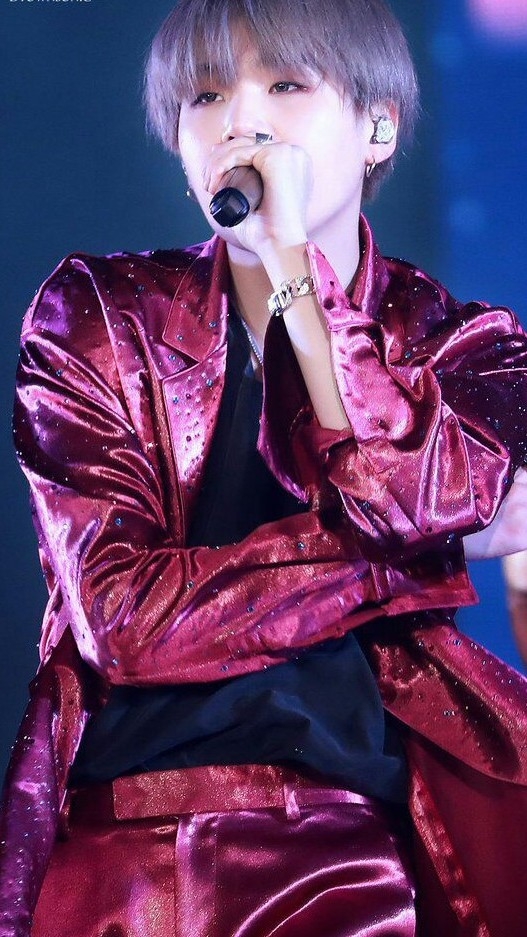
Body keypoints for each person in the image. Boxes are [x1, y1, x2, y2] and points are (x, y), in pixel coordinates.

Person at [2, 1, 527, 934]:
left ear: (378, 126)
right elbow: (121, 619)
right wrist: (412, 563)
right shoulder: (98, 313)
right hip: (126, 851)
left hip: (351, 854)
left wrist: (293, 268)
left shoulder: (462, 349)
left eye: (285, 84)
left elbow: (398, 492)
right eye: (205, 96)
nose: (241, 121)